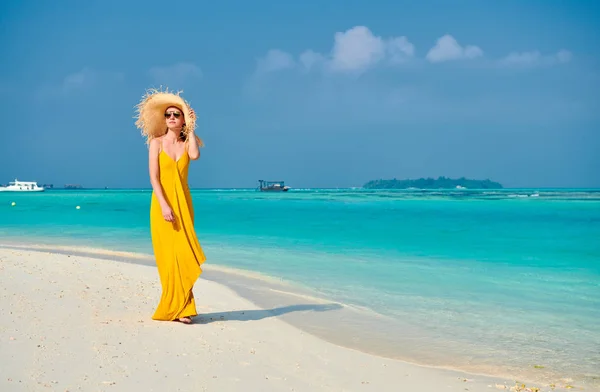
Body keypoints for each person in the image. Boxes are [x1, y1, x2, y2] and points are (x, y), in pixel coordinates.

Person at [134, 88, 206, 324]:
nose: (172, 118)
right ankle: (177, 307)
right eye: (168, 115)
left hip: (184, 203)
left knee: (184, 254)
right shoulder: (155, 143)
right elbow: (154, 178)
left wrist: (192, 128)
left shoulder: (187, 143)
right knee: (167, 257)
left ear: (184, 118)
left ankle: (184, 307)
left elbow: (195, 156)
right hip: (162, 204)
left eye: (177, 114)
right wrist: (164, 206)